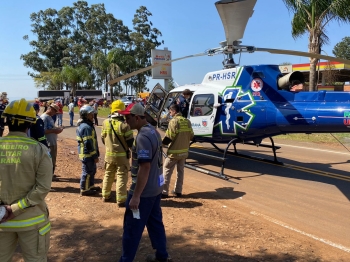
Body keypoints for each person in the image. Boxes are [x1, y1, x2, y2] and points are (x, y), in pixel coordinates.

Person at [0, 98, 53, 262]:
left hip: (1, 220)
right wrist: (15, 208)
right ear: (30, 124)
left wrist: (4, 210)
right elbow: (43, 188)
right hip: (32, 222)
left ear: (7, 121)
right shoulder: (40, 150)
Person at [118, 103, 170, 262]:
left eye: (128, 117)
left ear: (138, 117)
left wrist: (136, 196)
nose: (126, 121)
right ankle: (162, 256)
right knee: (155, 224)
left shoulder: (142, 137)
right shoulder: (154, 131)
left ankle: (125, 260)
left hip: (144, 192)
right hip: (155, 188)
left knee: (132, 230)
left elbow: (145, 167)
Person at [101, 100, 134, 206]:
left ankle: (105, 195)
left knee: (108, 174)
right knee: (121, 176)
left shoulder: (105, 122)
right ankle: (121, 199)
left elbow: (103, 138)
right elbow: (130, 143)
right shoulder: (124, 125)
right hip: (122, 157)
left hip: (109, 155)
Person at [162, 104, 194, 198]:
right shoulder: (187, 121)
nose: (170, 113)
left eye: (170, 112)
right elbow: (192, 136)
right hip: (184, 153)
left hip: (174, 153)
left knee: (166, 170)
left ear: (174, 111)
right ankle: (178, 191)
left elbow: (169, 137)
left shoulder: (174, 121)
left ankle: (164, 192)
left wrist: (161, 145)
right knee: (180, 171)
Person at [76, 105, 101, 196]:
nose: (92, 116)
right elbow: (88, 143)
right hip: (87, 154)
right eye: (90, 114)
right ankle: (84, 189)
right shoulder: (86, 127)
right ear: (85, 115)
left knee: (92, 170)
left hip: (89, 154)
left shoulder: (87, 125)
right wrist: (94, 156)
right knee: (87, 172)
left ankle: (90, 186)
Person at [41, 103, 63, 178]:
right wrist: (55, 131)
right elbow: (43, 130)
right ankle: (49, 175)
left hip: (53, 141)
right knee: (50, 160)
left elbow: (51, 127)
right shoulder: (44, 117)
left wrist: (57, 128)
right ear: (50, 109)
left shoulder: (49, 117)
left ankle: (51, 174)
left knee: (53, 159)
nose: (54, 114)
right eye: (54, 111)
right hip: (48, 142)